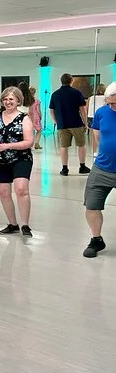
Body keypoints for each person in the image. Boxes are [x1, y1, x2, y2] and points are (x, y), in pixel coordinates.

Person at [0, 87, 35, 237]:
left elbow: (29, 142)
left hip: (21, 158)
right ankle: (12, 224)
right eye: (5, 99)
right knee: (4, 193)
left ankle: (25, 224)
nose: (8, 102)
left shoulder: (24, 118)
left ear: (18, 101)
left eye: (11, 99)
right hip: (1, 160)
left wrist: (7, 146)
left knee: (21, 189)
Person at [81, 82, 116, 258]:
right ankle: (96, 240)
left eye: (115, 103)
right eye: (109, 103)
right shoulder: (101, 112)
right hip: (102, 167)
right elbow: (98, 137)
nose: (112, 106)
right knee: (91, 205)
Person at [49, 73, 90, 176]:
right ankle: (82, 166)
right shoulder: (76, 93)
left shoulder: (55, 94)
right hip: (76, 123)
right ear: (71, 81)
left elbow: (51, 110)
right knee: (81, 145)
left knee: (64, 146)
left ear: (61, 81)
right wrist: (85, 123)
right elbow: (82, 109)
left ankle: (64, 169)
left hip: (62, 124)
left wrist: (56, 121)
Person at [88, 84, 107, 158]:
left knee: (93, 135)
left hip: (91, 116)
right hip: (101, 117)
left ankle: (94, 152)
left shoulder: (91, 98)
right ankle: (102, 151)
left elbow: (87, 107)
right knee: (103, 135)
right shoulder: (106, 98)